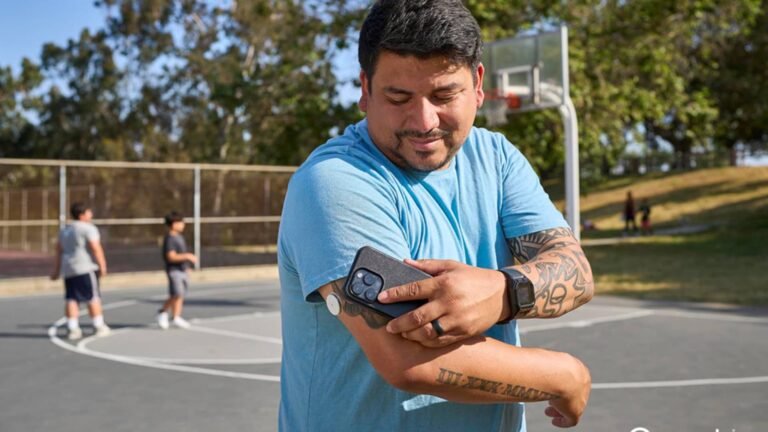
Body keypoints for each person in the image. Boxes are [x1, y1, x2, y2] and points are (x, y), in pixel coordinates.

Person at [278, 1, 594, 430]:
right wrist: (565, 375)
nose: (424, 121)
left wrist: (504, 292)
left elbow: (575, 269)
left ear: (478, 84)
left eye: (444, 96)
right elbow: (409, 360)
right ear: (365, 89)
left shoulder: (497, 158)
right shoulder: (334, 181)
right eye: (399, 97)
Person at [50, 202, 111, 340]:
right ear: (82, 215)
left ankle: (73, 329)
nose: (91, 214)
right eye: (89, 212)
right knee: (93, 297)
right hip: (85, 268)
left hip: (69, 269)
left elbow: (59, 251)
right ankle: (99, 326)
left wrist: (56, 270)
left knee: (71, 299)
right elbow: (95, 247)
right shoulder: (88, 228)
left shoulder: (65, 230)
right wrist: (102, 265)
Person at [156, 211, 197, 329]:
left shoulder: (179, 237)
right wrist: (188, 256)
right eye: (181, 222)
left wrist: (186, 267)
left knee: (181, 294)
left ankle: (176, 317)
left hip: (182, 270)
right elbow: (171, 256)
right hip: (174, 271)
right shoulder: (170, 239)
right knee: (176, 293)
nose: (183, 225)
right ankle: (162, 311)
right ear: (174, 224)